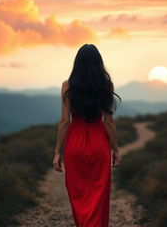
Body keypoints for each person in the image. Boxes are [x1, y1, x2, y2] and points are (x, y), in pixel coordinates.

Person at [53, 43, 122, 226]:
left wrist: (57, 152)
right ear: (99, 63)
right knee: (98, 196)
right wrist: (115, 149)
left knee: (78, 196)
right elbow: (108, 122)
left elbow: (64, 121)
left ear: (77, 63)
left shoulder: (67, 86)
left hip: (74, 144)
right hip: (99, 143)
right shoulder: (106, 85)